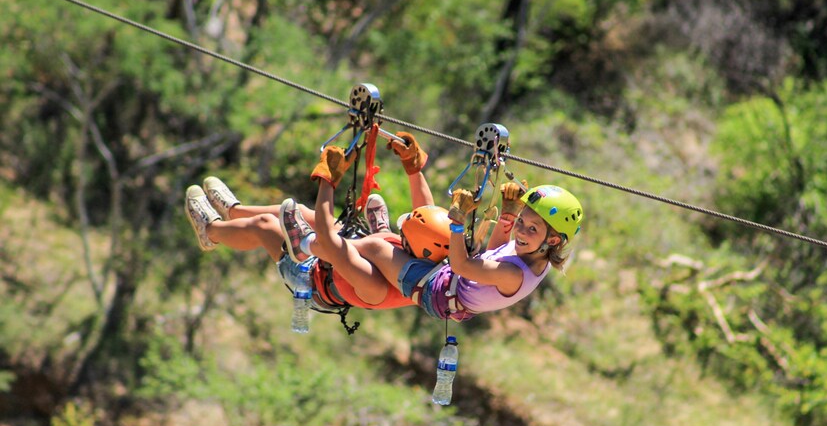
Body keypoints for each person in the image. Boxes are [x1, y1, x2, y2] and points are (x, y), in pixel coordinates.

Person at [280, 134, 584, 322]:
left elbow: (462, 265)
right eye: (522, 222)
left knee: (376, 247)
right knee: (425, 228)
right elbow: (492, 252)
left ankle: (307, 246)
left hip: (438, 291)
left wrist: (457, 224)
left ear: (553, 239)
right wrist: (505, 216)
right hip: (449, 279)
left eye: (532, 230)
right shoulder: (533, 256)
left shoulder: (515, 273)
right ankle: (391, 229)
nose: (521, 232)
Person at [183, 132, 444, 311]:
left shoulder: (374, 284)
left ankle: (211, 231)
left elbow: (328, 244)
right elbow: (427, 215)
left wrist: (328, 182)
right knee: (302, 212)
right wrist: (413, 168)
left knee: (265, 225)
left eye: (404, 236)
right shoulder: (426, 260)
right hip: (347, 252)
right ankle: (234, 213)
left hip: (311, 274)